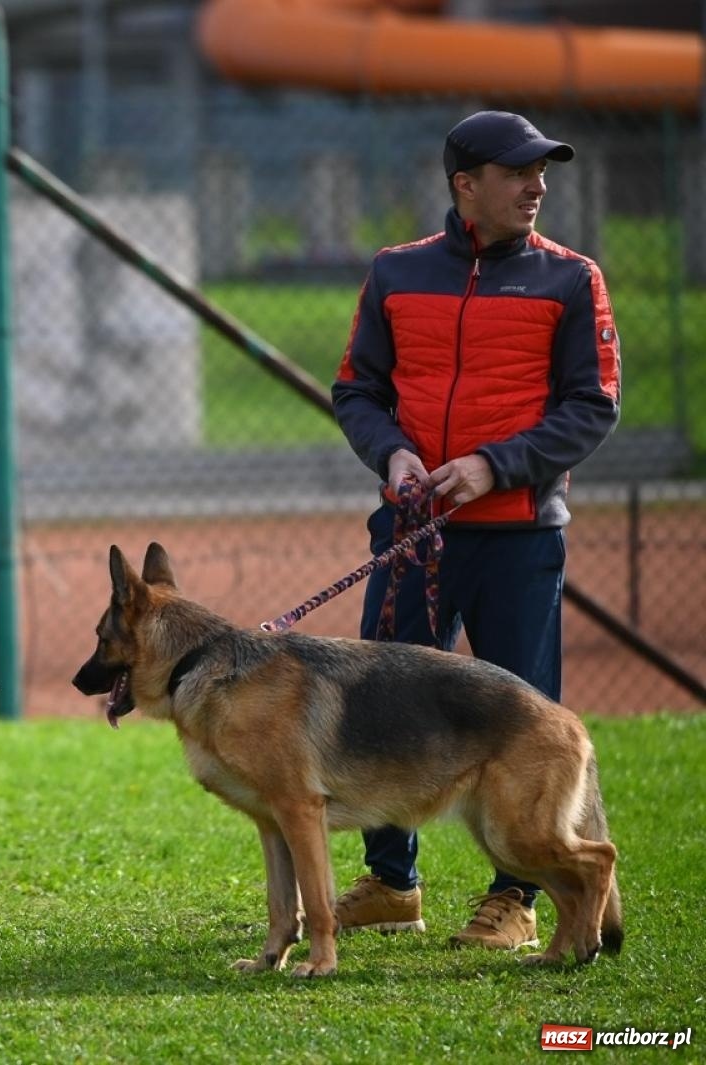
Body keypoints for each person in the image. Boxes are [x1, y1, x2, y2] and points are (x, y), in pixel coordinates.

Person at [330, 110, 621, 950]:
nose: (538, 186)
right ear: (466, 184)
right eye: (518, 171)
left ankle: (516, 899)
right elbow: (357, 390)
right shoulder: (395, 271)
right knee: (381, 711)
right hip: (412, 533)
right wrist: (393, 455)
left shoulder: (572, 279)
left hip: (520, 536)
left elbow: (593, 405)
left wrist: (496, 465)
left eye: (543, 172)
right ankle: (392, 882)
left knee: (519, 721)